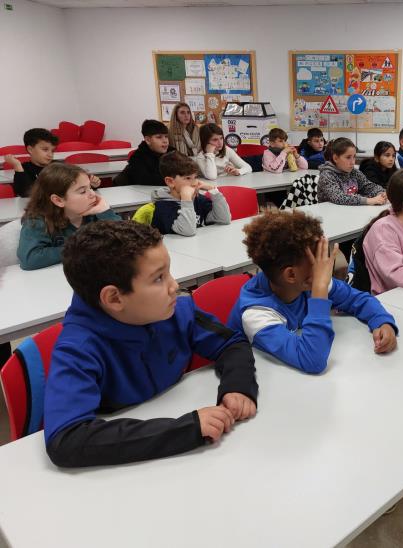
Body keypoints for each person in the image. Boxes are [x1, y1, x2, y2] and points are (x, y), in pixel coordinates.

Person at [43, 220, 258, 467]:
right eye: (158, 278)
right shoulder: (78, 350)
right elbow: (67, 439)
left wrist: (237, 386)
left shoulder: (176, 312)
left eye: (169, 272)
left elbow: (232, 343)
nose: (174, 286)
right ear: (114, 298)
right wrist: (186, 429)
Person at [227, 210, 398, 374]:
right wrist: (320, 290)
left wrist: (382, 322)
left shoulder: (304, 281)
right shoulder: (256, 314)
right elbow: (312, 359)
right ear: (291, 275)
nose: (325, 266)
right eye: (318, 261)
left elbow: (358, 299)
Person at [17, 163, 120, 270]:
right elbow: (30, 258)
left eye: (90, 187)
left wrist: (106, 211)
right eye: (83, 191)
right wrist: (83, 248)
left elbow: (125, 240)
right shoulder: (38, 220)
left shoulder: (96, 212)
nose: (93, 194)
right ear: (58, 200)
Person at [151, 152, 231, 236]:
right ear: (170, 182)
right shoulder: (163, 206)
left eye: (195, 177)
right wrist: (186, 199)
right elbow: (188, 231)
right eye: (188, 178)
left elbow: (224, 219)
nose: (194, 183)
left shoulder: (199, 199)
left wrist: (213, 190)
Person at [5, 128, 98, 198]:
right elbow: (25, 193)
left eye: (52, 151)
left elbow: (75, 186)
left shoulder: (58, 166)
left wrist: (91, 186)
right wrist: (17, 166)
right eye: (45, 149)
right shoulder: (24, 169)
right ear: (30, 149)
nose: (50, 154)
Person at [317, 138, 387, 206]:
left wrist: (381, 193)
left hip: (350, 211)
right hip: (329, 212)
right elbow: (339, 198)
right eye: (348, 157)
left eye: (354, 157)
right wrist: (368, 200)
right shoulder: (327, 175)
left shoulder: (354, 172)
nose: (353, 162)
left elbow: (368, 186)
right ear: (335, 158)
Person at [114, 119, 174, 187]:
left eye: (166, 136)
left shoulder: (172, 152)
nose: (165, 141)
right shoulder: (137, 158)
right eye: (159, 137)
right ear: (148, 140)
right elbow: (148, 182)